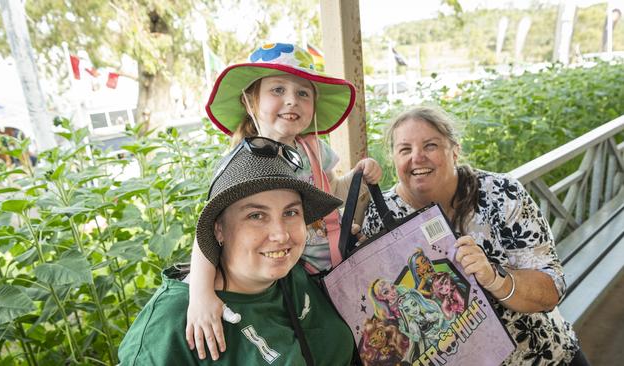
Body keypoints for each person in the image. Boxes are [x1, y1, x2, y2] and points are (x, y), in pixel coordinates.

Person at [186, 42, 382, 360]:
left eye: (303, 93)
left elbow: (331, 194)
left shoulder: (313, 151)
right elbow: (209, 231)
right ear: (251, 100)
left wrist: (357, 178)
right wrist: (201, 294)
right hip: (294, 276)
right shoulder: (246, 163)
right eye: (278, 89)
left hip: (337, 265)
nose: (292, 99)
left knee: (357, 339)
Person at [361, 105, 589, 366]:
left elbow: (551, 291)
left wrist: (495, 278)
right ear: (393, 159)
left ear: (455, 150)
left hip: (542, 357)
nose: (417, 157)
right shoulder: (381, 215)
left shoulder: (502, 194)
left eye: (431, 145)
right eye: (405, 149)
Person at [118, 141, 354, 365]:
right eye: (256, 216)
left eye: (290, 213)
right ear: (219, 229)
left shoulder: (292, 275)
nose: (281, 235)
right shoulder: (172, 323)